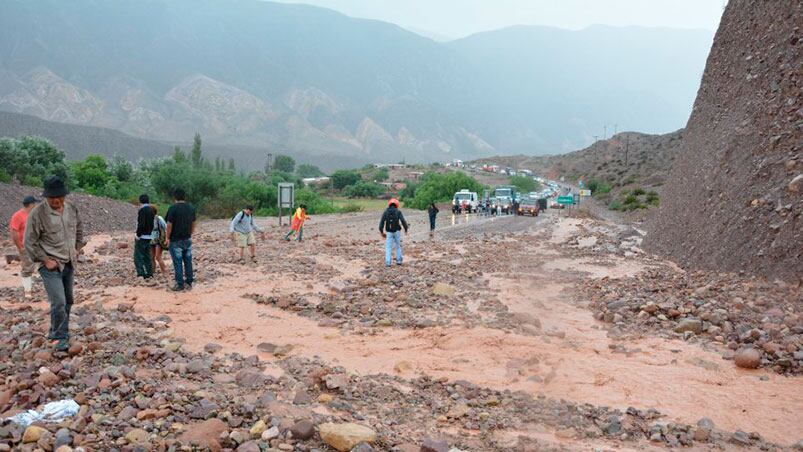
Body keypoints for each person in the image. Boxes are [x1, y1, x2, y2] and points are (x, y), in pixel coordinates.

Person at [24, 176, 85, 352]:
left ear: (64, 196)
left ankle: (57, 330)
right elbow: (29, 242)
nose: (56, 200)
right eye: (52, 198)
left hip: (69, 262)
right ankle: (60, 337)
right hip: (50, 265)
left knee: (68, 300)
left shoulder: (71, 209)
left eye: (59, 197)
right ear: (46, 197)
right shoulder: (37, 214)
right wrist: (45, 260)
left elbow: (79, 228)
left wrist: (77, 248)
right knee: (58, 301)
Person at [165, 188, 196, 291]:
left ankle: (179, 284)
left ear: (175, 197)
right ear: (184, 197)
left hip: (175, 239)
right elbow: (193, 223)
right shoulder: (191, 208)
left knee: (177, 262)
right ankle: (189, 281)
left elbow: (169, 224)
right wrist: (190, 233)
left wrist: (167, 237)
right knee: (188, 261)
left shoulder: (173, 208)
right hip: (187, 238)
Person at [9, 195, 38, 299]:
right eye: (35, 203)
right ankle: (27, 291)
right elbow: (14, 231)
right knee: (27, 268)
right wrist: (20, 247)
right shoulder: (18, 216)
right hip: (25, 246)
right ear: (31, 204)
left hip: (36, 245)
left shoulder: (33, 215)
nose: (36, 205)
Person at [379, 198, 408, 267]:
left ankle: (388, 262)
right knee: (398, 246)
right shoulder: (398, 212)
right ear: (397, 204)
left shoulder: (386, 212)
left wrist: (381, 231)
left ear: (389, 204)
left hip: (389, 232)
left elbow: (382, 222)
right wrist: (406, 229)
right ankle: (399, 261)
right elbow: (403, 221)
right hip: (397, 231)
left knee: (388, 247)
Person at [134, 194, 155, 279]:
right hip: (149, 236)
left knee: (138, 256)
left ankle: (140, 273)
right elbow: (152, 224)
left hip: (142, 236)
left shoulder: (142, 210)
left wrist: (137, 234)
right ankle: (149, 273)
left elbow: (141, 224)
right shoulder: (151, 210)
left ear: (140, 201)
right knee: (147, 256)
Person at [150, 205, 167, 275]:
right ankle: (152, 273)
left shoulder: (159, 218)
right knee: (151, 257)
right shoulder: (148, 219)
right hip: (151, 240)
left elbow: (165, 228)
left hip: (159, 240)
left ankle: (164, 272)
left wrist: (166, 239)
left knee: (158, 257)